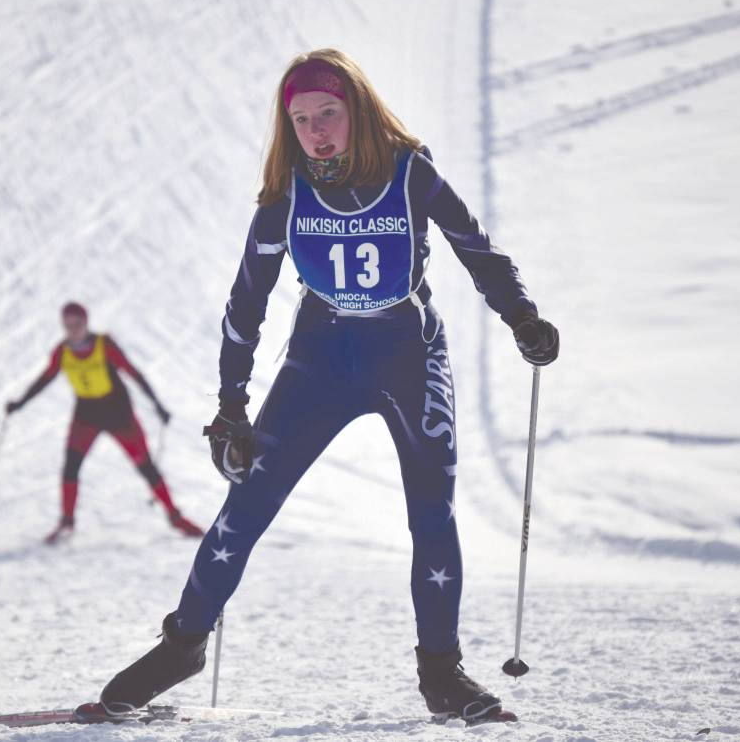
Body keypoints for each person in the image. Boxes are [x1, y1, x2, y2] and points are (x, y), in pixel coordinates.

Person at [88, 50, 558, 724]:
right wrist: (230, 408)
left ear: (356, 109)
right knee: (245, 508)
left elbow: (475, 249)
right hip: (321, 355)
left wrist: (522, 317)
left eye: (329, 113)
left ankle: (442, 675)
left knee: (432, 511)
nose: (316, 130)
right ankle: (182, 646)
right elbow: (246, 302)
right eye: (302, 118)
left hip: (406, 351)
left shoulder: (408, 173)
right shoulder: (287, 194)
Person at [6, 302, 204, 542]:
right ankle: (67, 523)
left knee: (145, 466)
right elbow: (45, 378)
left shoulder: (104, 345)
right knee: (71, 465)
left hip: (119, 414)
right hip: (86, 414)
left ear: (85, 322)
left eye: (76, 324)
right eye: (67, 325)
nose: (72, 329)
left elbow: (133, 373)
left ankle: (175, 517)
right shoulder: (62, 352)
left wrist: (157, 405)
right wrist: (20, 403)